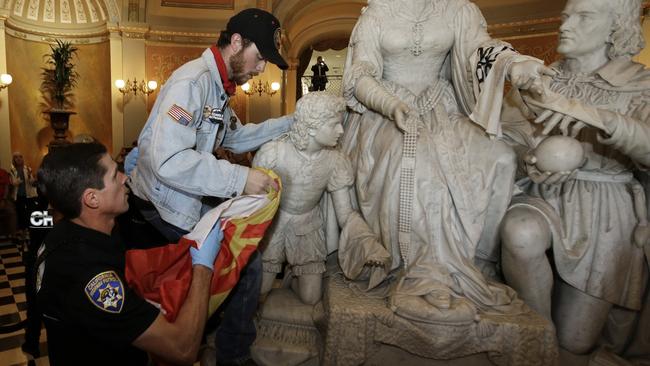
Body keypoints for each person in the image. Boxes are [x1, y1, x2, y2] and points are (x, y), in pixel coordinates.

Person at [338, 0, 553, 323]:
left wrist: (512, 64)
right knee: (415, 159)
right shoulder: (378, 14)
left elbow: (481, 50)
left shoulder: (458, 10)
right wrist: (390, 104)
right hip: (384, 112)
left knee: (501, 157)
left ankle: (478, 261)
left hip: (442, 107)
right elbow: (360, 75)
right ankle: (423, 273)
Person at [127, 8, 292, 365]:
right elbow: (168, 161)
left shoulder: (219, 86)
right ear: (236, 42)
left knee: (244, 260)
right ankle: (225, 354)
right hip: (159, 203)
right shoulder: (193, 83)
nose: (262, 68)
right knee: (242, 263)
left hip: (183, 196)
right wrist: (241, 179)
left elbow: (233, 137)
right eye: (259, 57)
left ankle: (214, 336)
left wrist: (289, 125)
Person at [499, 0, 650, 356]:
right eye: (566, 15)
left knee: (576, 342)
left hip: (606, 209)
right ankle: (538, 340)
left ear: (615, 27)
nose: (565, 24)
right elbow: (506, 138)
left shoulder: (641, 84)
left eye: (584, 16)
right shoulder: (540, 81)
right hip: (542, 192)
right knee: (519, 231)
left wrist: (594, 116)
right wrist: (528, 158)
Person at [35, 142, 223, 365]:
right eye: (116, 175)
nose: (125, 178)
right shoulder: (94, 279)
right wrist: (203, 267)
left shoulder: (65, 232)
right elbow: (182, 349)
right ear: (92, 199)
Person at [254, 91, 388, 305]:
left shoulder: (335, 161)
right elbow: (252, 203)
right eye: (334, 124)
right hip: (273, 225)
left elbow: (345, 213)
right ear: (313, 125)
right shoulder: (273, 153)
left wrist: (367, 243)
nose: (341, 131)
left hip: (307, 226)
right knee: (260, 291)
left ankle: (292, 275)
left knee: (311, 298)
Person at [10, 151, 37, 240]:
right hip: (18, 195)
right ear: (14, 159)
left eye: (20, 156)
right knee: (21, 213)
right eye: (16, 157)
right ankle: (22, 232)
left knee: (30, 213)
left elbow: (32, 182)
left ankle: (30, 231)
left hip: (29, 195)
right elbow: (13, 183)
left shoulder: (28, 169)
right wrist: (18, 181)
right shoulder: (12, 170)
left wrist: (30, 177)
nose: (18, 159)